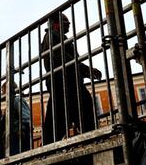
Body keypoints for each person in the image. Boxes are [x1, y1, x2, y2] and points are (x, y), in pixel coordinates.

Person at [41, 14, 101, 144]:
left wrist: (85, 70)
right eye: (65, 21)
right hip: (64, 83)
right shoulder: (52, 35)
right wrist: (86, 70)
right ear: (55, 23)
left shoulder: (59, 37)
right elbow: (61, 58)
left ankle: (48, 148)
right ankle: (92, 139)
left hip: (66, 82)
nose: (68, 24)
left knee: (61, 118)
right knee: (75, 113)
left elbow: (68, 60)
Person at [2, 80, 33, 155]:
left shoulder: (17, 100)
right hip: (13, 136)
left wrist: (21, 129)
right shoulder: (11, 102)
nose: (2, 93)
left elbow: (26, 117)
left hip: (18, 135)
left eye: (3, 90)